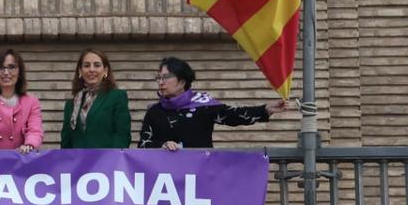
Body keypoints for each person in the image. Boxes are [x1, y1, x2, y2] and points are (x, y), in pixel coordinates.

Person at [138, 56, 288, 150]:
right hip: (165, 179)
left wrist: (265, 110)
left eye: (166, 77)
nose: (161, 82)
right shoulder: (154, 111)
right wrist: (162, 145)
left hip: (200, 174)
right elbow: (143, 144)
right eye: (158, 78)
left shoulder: (203, 105)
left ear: (182, 81)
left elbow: (233, 115)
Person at [60, 48, 132, 149]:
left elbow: (122, 136)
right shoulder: (71, 105)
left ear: (105, 70)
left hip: (107, 162)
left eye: (97, 65)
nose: (91, 69)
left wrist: (111, 160)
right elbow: (66, 143)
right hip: (79, 163)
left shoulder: (117, 97)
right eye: (86, 65)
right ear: (80, 71)